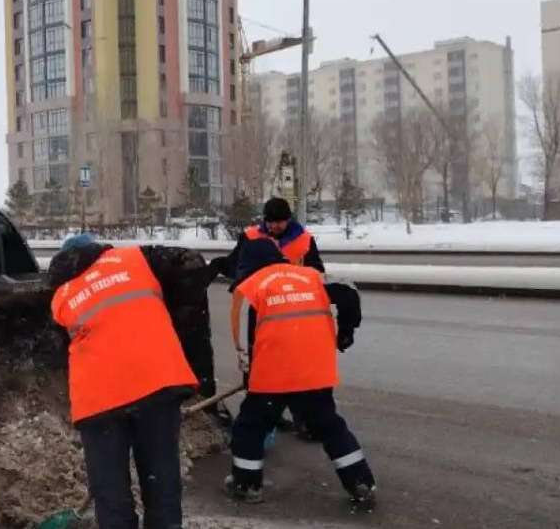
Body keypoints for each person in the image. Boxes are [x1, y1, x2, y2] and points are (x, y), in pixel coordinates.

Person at [48, 233, 214, 529]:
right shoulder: (135, 259)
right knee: (161, 481)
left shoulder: (61, 295)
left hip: (99, 399)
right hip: (156, 382)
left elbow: (62, 349)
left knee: (111, 495)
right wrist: (176, 318)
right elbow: (191, 262)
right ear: (100, 250)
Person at [225, 239, 376, 511]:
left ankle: (247, 485)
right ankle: (360, 482)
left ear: (247, 263)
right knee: (329, 425)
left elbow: (244, 342)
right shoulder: (311, 276)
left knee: (250, 427)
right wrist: (346, 331)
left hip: (272, 377)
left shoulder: (249, 287)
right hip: (314, 372)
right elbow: (349, 290)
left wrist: (248, 372)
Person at [213, 196, 325, 437]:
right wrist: (220, 266)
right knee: (259, 367)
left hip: (292, 310)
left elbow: (317, 272)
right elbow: (236, 265)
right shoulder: (251, 237)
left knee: (295, 367)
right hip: (258, 309)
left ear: (289, 219)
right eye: (270, 221)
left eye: (280, 222)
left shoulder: (304, 240)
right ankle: (268, 417)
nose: (274, 226)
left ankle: (302, 419)